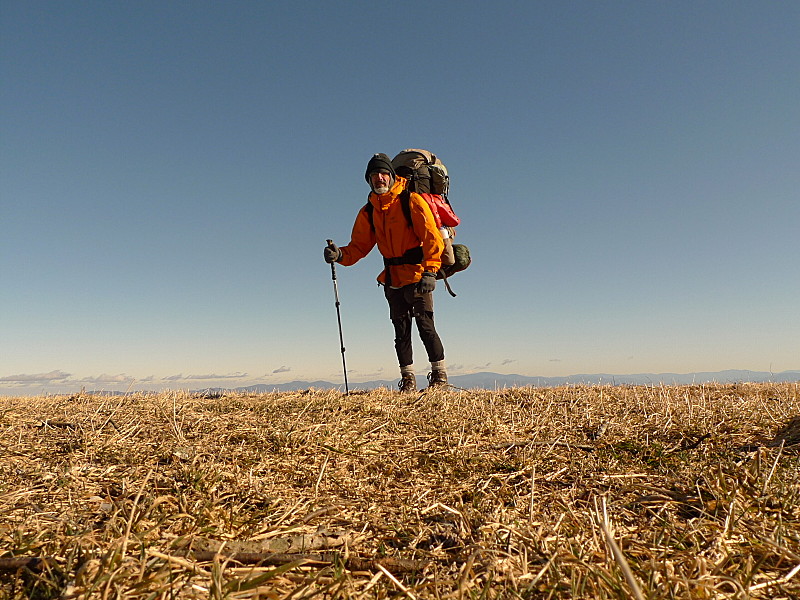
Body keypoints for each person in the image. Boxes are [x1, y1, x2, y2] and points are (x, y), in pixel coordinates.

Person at [324, 153, 448, 392]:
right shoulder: (369, 211)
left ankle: (439, 376)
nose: (379, 179)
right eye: (374, 175)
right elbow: (359, 247)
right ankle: (408, 380)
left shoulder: (410, 201)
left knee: (425, 324)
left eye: (383, 174)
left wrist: (431, 271)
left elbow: (432, 237)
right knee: (400, 329)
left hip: (418, 274)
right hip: (392, 278)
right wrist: (339, 255)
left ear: (392, 176)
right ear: (369, 181)